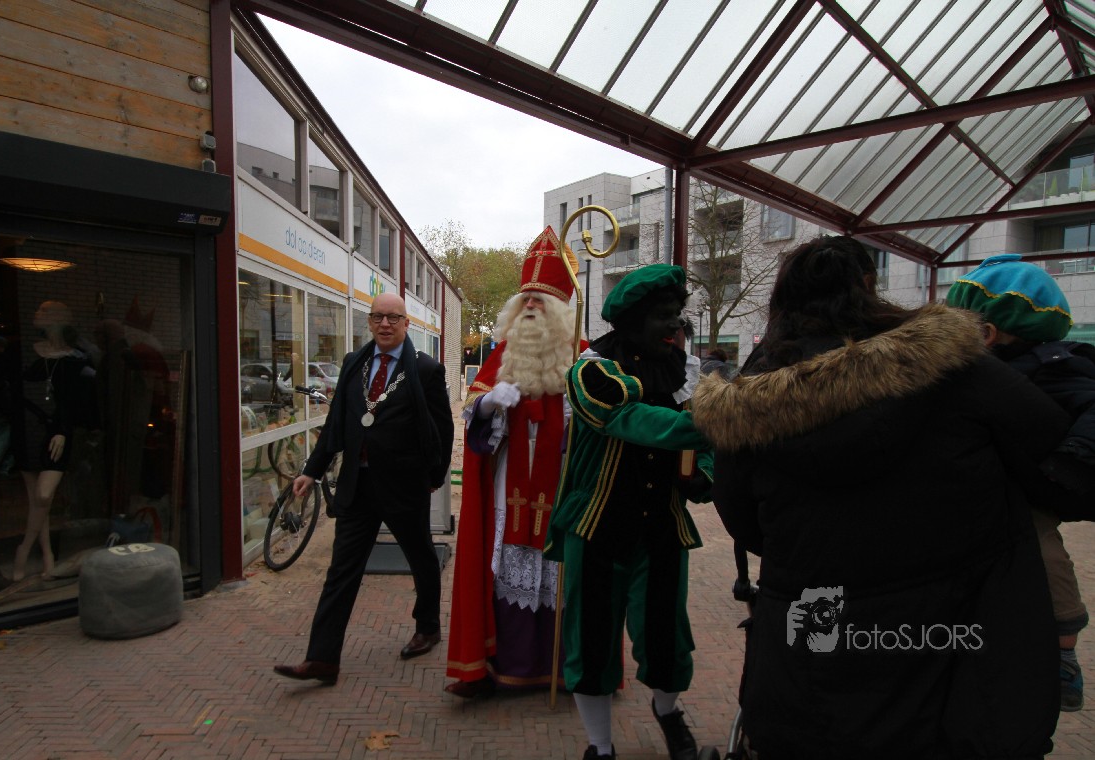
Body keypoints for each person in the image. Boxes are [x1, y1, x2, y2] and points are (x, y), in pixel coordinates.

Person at [690, 236, 1070, 759]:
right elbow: (1057, 465)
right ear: (869, 286)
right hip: (955, 645)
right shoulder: (960, 368)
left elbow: (742, 520)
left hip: (812, 649)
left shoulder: (748, 401)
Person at [545, 264, 714, 760]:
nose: (674, 324)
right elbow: (628, 418)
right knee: (591, 639)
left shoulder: (686, 372)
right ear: (634, 319)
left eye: (677, 314)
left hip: (662, 528)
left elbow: (705, 448)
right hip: (597, 527)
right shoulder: (591, 371)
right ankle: (600, 745)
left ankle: (668, 713)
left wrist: (705, 471)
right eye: (664, 315)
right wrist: (721, 422)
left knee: (666, 637)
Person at [273, 292, 454, 686]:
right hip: (358, 484)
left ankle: (428, 627)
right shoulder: (355, 362)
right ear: (369, 322)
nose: (385, 324)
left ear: (406, 324)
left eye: (393, 318)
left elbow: (442, 428)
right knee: (341, 570)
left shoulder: (425, 369)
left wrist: (435, 476)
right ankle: (322, 659)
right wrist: (312, 469)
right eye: (378, 317)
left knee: (421, 557)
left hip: (404, 486)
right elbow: (338, 420)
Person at [946, 253, 1095, 712]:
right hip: (992, 487)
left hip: (1031, 492)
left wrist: (1073, 459)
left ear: (987, 334)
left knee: (1041, 543)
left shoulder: (1059, 368)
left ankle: (1063, 648)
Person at [445, 226, 583, 698]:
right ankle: (504, 664)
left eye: (540, 301)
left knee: (559, 571)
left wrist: (578, 414)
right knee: (509, 566)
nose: (530, 307)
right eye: (525, 299)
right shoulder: (502, 355)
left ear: (561, 311)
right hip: (510, 483)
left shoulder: (582, 357)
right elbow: (475, 416)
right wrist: (487, 406)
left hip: (562, 484)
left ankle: (561, 668)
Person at [11, 301, 95, 582]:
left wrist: (63, 429)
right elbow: (16, 390)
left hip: (57, 432)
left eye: (45, 310)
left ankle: (23, 550)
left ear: (60, 318)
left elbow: (76, 400)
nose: (37, 313)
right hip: (28, 427)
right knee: (37, 501)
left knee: (44, 495)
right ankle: (47, 555)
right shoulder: (28, 351)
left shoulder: (76, 357)